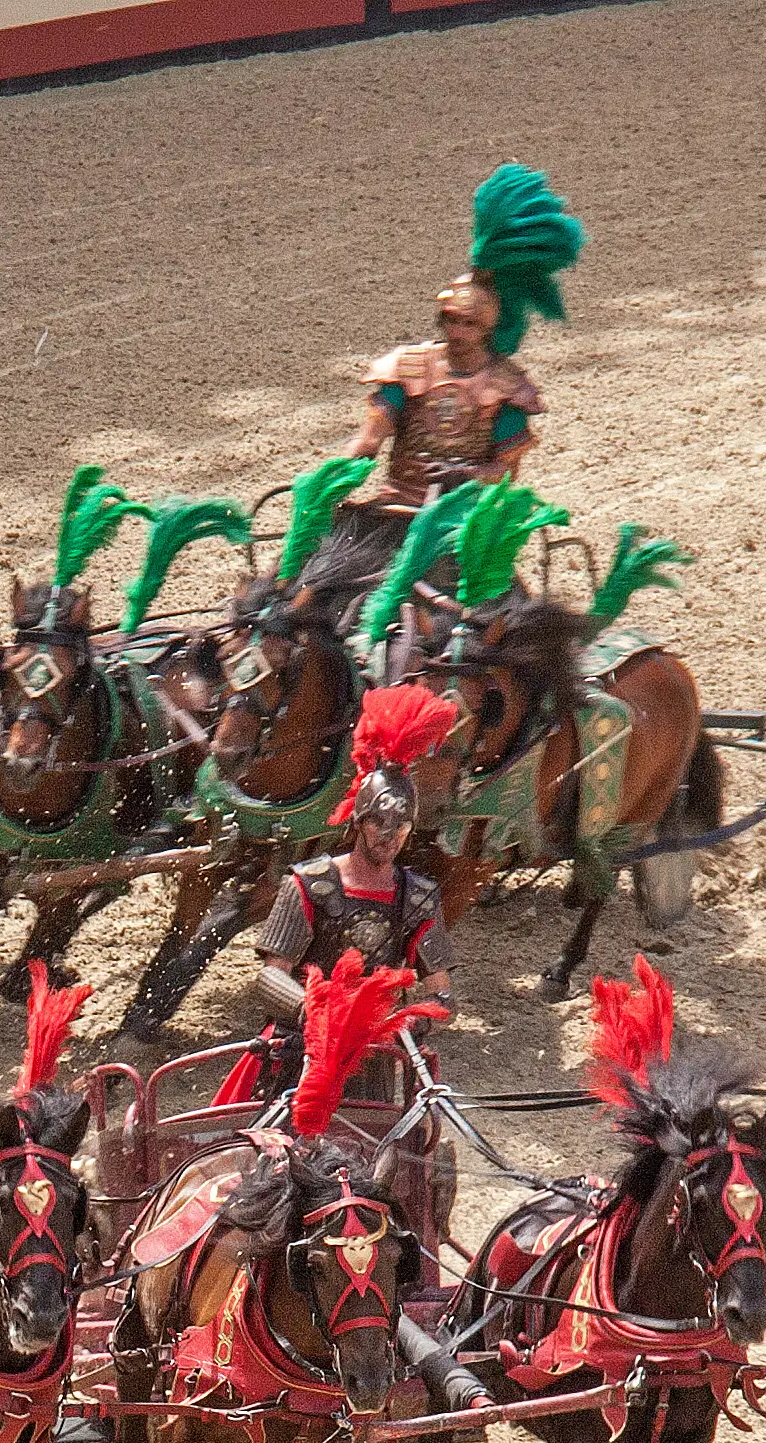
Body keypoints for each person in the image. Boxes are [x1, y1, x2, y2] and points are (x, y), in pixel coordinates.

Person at [300, 164, 586, 629]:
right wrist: (339, 476)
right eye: (450, 321)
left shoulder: (505, 388)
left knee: (496, 628)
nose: (457, 331)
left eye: (468, 323)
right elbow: (370, 438)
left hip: (463, 523)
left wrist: (466, 473)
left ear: (488, 326)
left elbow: (503, 472)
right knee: (313, 590)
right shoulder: (411, 368)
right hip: (395, 507)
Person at [216, 687, 457, 1111]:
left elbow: (441, 995)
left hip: (374, 1055)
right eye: (380, 822)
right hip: (300, 1051)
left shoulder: (419, 897)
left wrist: (399, 1023)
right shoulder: (310, 883)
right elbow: (271, 976)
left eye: (400, 827)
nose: (389, 835)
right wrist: (317, 1015)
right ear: (360, 821)